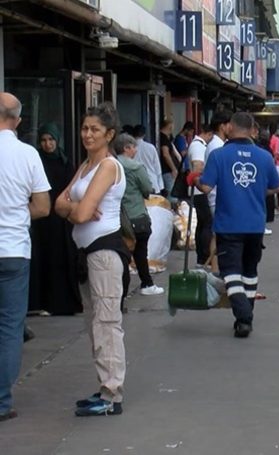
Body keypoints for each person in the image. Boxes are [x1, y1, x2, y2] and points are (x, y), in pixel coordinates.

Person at [55, 103, 128, 417]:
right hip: (87, 254)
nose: (87, 134)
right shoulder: (86, 165)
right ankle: (104, 388)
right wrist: (76, 208)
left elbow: (82, 213)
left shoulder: (108, 166)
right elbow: (59, 203)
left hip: (104, 254)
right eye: (85, 128)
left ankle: (112, 395)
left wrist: (77, 208)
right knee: (94, 324)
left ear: (109, 134)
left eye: (94, 129)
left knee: (107, 324)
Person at [190, 112, 279, 338]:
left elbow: (206, 188)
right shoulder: (264, 157)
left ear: (230, 127)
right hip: (255, 223)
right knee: (250, 271)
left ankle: (243, 316)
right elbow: (276, 187)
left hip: (228, 223)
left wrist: (194, 179)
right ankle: (246, 313)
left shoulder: (219, 156)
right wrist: (257, 191)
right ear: (252, 129)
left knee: (230, 272)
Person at [0, 92, 51, 422]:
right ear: (18, 121)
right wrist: (16, 215)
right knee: (9, 328)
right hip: (14, 252)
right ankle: (1, 402)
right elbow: (44, 207)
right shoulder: (27, 154)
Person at [29, 123, 81, 315]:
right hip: (40, 220)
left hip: (59, 220)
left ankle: (59, 303)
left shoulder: (65, 162)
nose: (48, 144)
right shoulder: (36, 161)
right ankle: (38, 303)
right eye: (43, 140)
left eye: (51, 140)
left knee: (59, 259)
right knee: (40, 259)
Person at [113, 133, 164, 297]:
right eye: (134, 147)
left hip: (117, 216)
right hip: (136, 215)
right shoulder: (135, 167)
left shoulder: (110, 165)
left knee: (121, 256)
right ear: (127, 148)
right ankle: (147, 283)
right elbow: (147, 189)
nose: (135, 150)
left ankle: (119, 291)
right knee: (140, 252)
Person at [188, 124, 215, 267]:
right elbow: (198, 166)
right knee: (207, 224)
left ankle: (202, 257)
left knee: (202, 224)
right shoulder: (198, 146)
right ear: (208, 134)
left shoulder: (197, 144)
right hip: (200, 189)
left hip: (200, 189)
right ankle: (204, 256)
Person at [132, 125, 164, 194]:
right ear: (144, 135)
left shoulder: (129, 148)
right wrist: (160, 186)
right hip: (152, 182)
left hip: (136, 185)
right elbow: (157, 168)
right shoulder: (151, 147)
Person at [158, 119, 180, 198]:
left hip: (166, 170)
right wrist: (173, 168)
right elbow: (166, 154)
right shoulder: (164, 138)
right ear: (169, 126)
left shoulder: (166, 138)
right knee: (172, 194)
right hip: (167, 170)